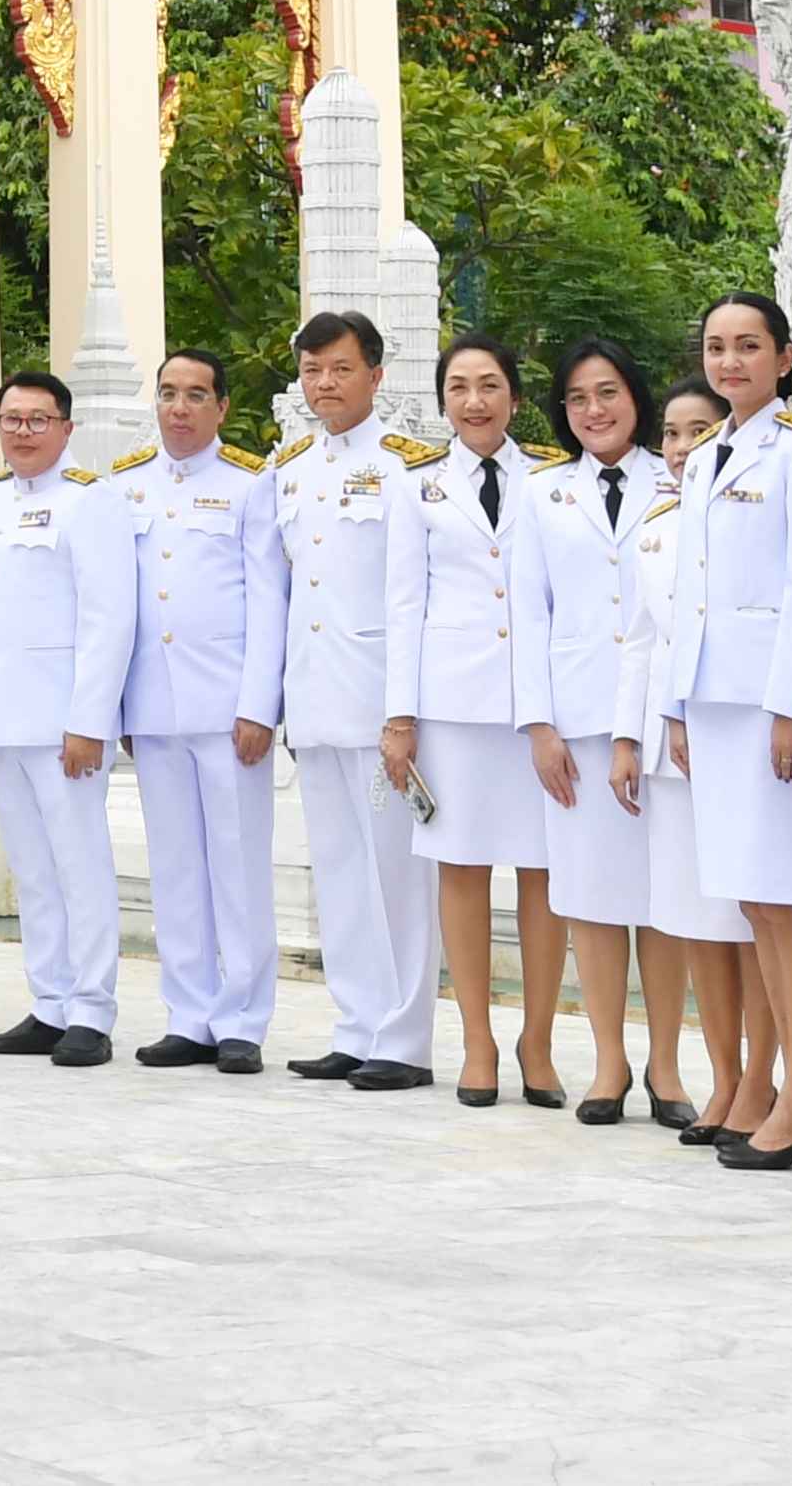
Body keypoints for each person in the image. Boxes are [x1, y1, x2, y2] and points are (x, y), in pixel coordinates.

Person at [673, 291, 792, 1170]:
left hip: (770, 706)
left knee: (786, 896)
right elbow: (690, 588)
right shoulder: (705, 454)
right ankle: (789, 1087)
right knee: (750, 900)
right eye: (716, 346)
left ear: (784, 357)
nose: (730, 361)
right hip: (713, 702)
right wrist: (676, 703)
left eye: (748, 346)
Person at [269, 311, 435, 1093]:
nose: (324, 383)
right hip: (314, 698)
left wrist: (401, 713)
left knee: (395, 875)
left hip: (376, 705)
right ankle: (356, 1024)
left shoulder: (403, 467)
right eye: (311, 370)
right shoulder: (292, 467)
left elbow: (407, 599)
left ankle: (402, 1038)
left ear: (375, 374)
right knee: (337, 870)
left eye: (339, 368)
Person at [108, 347, 284, 1074]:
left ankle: (241, 1018)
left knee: (238, 869)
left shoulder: (249, 484)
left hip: (226, 706)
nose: (178, 408)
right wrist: (117, 705)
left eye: (195, 395)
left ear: (222, 407)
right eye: (168, 393)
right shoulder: (124, 486)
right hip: (153, 705)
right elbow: (115, 606)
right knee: (176, 867)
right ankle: (188, 1013)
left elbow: (269, 600)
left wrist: (258, 704)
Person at [399, 335, 560, 1106]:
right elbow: (403, 602)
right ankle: (475, 1039)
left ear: (514, 398)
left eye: (490, 384)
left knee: (542, 870)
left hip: (535, 704)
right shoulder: (416, 486)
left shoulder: (551, 481)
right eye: (459, 386)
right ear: (442, 401)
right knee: (460, 867)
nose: (474, 400)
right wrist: (398, 716)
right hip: (452, 704)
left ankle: (538, 1039)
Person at [0, 367, 137, 1067]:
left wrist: (89, 719)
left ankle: (91, 1009)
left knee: (80, 866)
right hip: (3, 721)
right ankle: (49, 1002)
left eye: (38, 419)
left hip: (64, 723)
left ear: (66, 428)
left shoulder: (90, 502)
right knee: (32, 871)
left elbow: (107, 618)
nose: (23, 431)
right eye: (12, 418)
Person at [529, 338, 670, 1124]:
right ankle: (608, 1060)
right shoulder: (542, 493)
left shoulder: (676, 476)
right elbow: (528, 611)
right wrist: (537, 725)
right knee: (589, 894)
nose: (594, 410)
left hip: (655, 717)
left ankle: (668, 1064)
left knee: (662, 895)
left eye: (607, 391)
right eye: (578, 397)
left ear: (635, 396)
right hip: (576, 720)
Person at [632, 377, 733, 1134]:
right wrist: (627, 737)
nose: (680, 447)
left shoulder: (745, 514)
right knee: (695, 923)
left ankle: (777, 1081)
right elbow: (641, 640)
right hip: (668, 745)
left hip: (733, 736)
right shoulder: (658, 522)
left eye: (698, 431)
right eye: (670, 433)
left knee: (748, 923)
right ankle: (727, 1080)